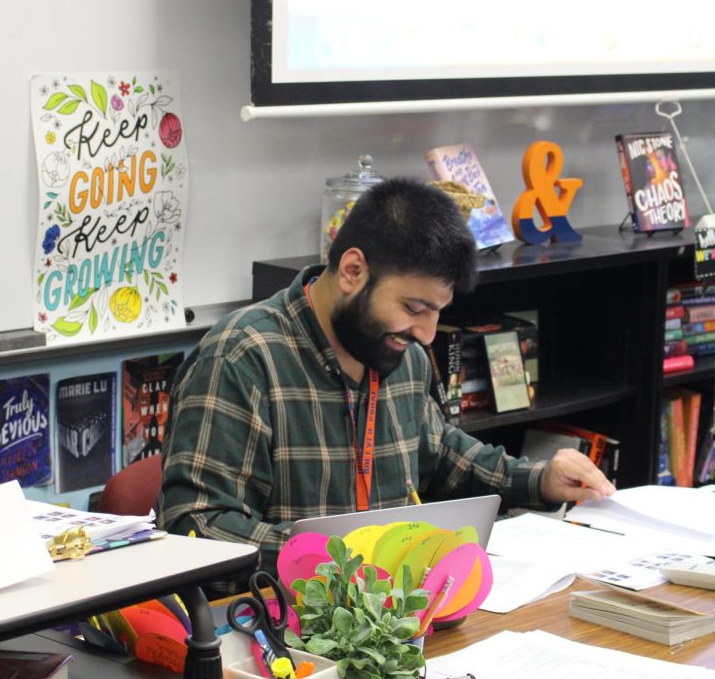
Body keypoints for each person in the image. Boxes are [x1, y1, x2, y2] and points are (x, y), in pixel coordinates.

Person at [158, 178, 615, 573]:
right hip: (283, 627)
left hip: (392, 617)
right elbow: (197, 527)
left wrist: (538, 479)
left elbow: (443, 456)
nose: (426, 332)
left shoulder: (401, 354)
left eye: (437, 312)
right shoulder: (241, 358)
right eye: (414, 308)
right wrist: (346, 558)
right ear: (353, 271)